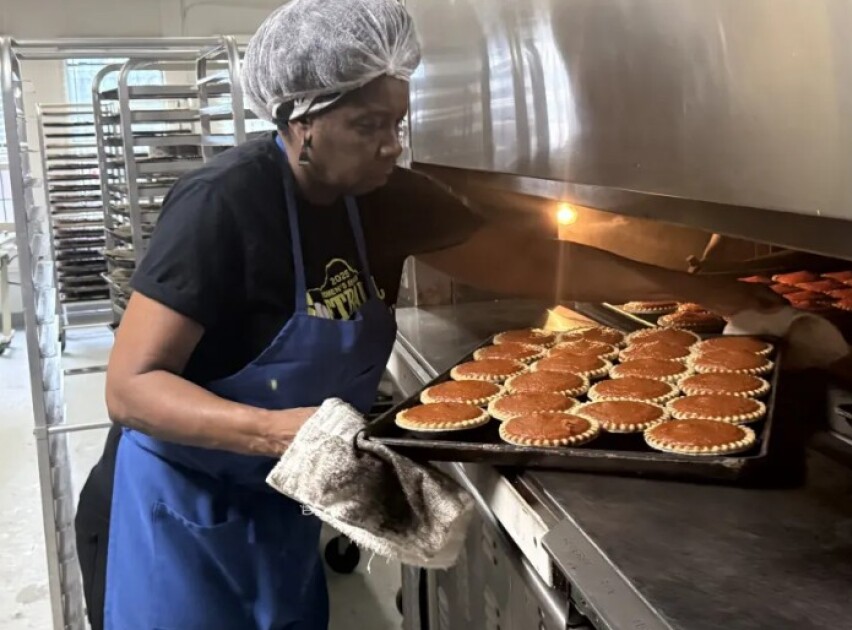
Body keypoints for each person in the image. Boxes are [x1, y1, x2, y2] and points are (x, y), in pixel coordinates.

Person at [75, 0, 783, 627]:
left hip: (283, 506)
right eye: (368, 125)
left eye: (398, 124)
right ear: (300, 122)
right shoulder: (223, 205)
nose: (392, 145)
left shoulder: (386, 197)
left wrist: (717, 293)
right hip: (177, 510)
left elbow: (538, 261)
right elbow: (131, 386)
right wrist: (274, 432)